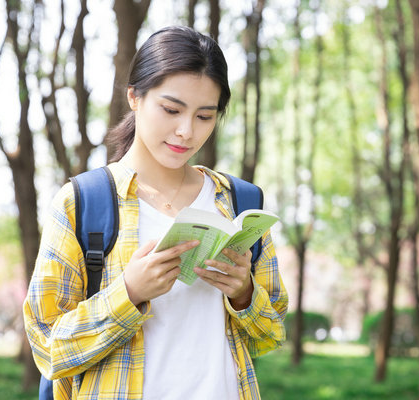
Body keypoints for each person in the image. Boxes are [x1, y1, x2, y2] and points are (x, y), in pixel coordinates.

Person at [23, 25, 288, 400]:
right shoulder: (83, 202)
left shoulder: (237, 202)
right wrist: (128, 293)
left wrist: (244, 293)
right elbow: (47, 345)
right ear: (134, 96)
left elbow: (271, 332)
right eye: (171, 109)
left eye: (204, 116)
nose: (186, 131)